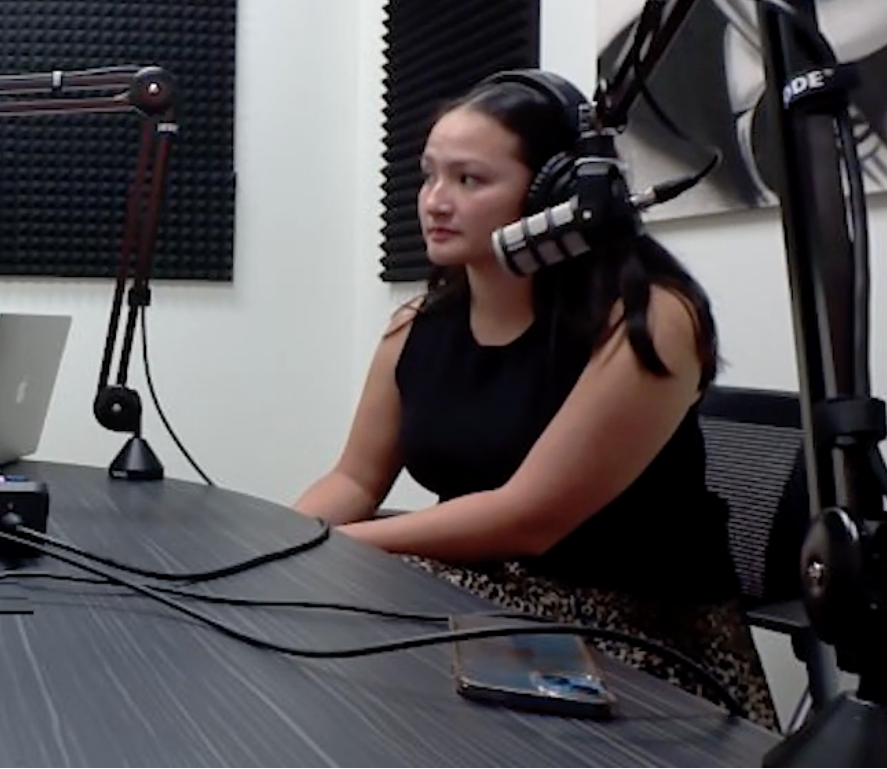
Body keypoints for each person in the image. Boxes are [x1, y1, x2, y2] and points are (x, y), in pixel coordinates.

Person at [293, 69, 778, 729]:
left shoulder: (650, 318)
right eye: (429, 174)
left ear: (556, 192)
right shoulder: (417, 325)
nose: (436, 201)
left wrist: (339, 548)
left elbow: (528, 518)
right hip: (480, 612)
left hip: (643, 646)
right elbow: (353, 478)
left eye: (469, 180)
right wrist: (279, 547)